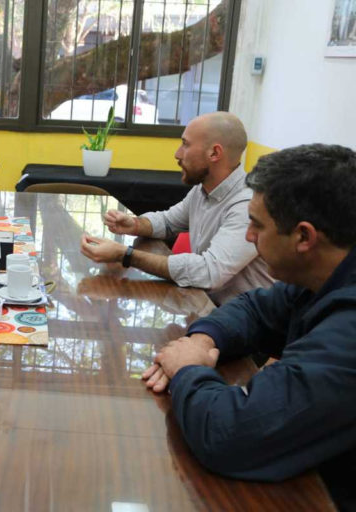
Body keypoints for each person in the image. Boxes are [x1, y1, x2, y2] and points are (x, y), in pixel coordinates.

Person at [143, 144, 356, 509]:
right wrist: (202, 338)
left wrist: (189, 369)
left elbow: (230, 434)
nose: (248, 237)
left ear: (304, 237)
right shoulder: (320, 276)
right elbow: (254, 309)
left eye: (256, 225)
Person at [80, 112, 273, 305]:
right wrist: (135, 224)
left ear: (214, 153)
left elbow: (208, 273)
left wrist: (124, 255)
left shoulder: (247, 206)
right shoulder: (202, 189)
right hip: (210, 310)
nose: (177, 154)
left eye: (186, 144)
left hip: (245, 326)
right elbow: (168, 221)